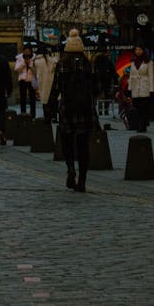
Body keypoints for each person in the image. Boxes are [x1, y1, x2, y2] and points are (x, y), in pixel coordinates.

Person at [52, 29, 95, 192]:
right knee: (83, 145)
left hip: (67, 108)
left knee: (67, 142)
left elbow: (56, 87)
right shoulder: (87, 63)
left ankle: (71, 169)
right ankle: (82, 180)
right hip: (85, 109)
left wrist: (50, 107)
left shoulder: (62, 63)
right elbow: (95, 87)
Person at [127, 45, 154, 133]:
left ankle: (143, 125)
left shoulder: (148, 62)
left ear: (143, 50)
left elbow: (151, 76)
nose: (138, 51)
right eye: (136, 49)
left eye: (140, 49)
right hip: (135, 87)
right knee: (137, 106)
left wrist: (151, 89)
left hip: (144, 86)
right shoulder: (133, 62)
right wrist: (130, 88)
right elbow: (131, 76)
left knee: (144, 107)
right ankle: (142, 123)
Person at [33, 44, 58, 123]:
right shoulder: (50, 60)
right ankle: (53, 116)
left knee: (44, 101)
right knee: (52, 100)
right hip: (51, 83)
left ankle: (47, 117)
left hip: (42, 83)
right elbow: (56, 61)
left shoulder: (37, 61)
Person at [92, 43, 117, 118]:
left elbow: (93, 70)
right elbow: (112, 70)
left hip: (98, 80)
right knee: (107, 95)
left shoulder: (95, 60)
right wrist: (115, 79)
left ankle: (99, 110)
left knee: (100, 95)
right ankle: (106, 110)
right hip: (107, 79)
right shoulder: (107, 60)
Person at [14, 44, 37, 118]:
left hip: (31, 79)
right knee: (22, 98)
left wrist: (30, 65)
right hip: (22, 80)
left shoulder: (34, 58)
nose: (27, 53)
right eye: (25, 51)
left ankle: (33, 115)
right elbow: (17, 69)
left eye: (28, 51)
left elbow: (36, 71)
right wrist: (24, 63)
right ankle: (23, 114)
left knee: (32, 98)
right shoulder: (20, 58)